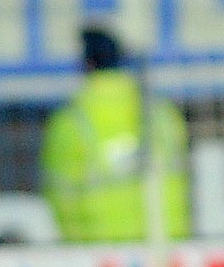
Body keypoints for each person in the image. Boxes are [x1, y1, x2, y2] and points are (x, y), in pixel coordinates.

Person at [42, 27, 191, 244]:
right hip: (163, 243)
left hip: (100, 249)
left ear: (86, 64)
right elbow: (181, 180)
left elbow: (60, 197)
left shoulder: (71, 121)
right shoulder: (161, 112)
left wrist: (73, 243)